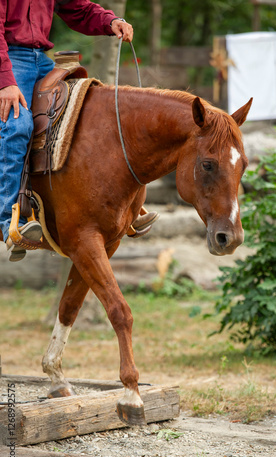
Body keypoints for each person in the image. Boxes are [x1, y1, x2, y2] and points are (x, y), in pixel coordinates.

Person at [0, 0, 158, 262]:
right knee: (18, 124)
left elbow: (78, 9)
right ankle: (9, 221)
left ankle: (119, 209)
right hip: (8, 58)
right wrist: (5, 81)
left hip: (42, 60)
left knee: (85, 116)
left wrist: (110, 21)